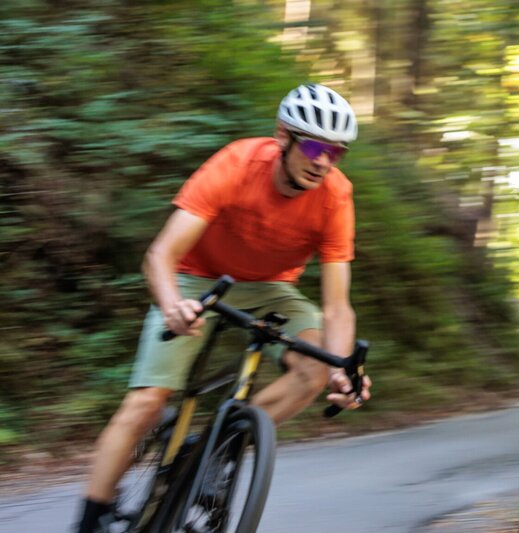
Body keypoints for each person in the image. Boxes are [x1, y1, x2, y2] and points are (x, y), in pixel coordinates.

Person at [75, 83, 372, 533]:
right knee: (146, 404)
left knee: (313, 369)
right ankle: (89, 520)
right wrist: (173, 305)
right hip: (197, 279)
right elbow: (160, 255)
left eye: (336, 152)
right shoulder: (237, 163)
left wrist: (340, 368)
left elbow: (336, 307)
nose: (323, 161)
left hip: (272, 289)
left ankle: (217, 448)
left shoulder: (335, 196)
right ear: (283, 136)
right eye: (313, 145)